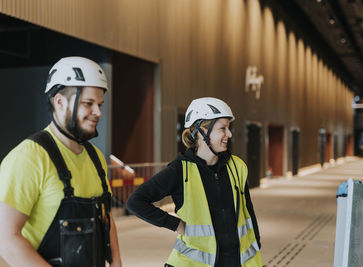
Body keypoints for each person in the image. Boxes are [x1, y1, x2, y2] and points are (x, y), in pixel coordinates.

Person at [0, 56, 122, 267]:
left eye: (100, 104)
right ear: (59, 102)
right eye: (88, 103)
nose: (98, 112)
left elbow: (106, 220)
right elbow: (5, 238)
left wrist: (117, 263)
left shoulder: (96, 158)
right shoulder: (30, 157)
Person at [127, 97, 263, 267]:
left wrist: (257, 249)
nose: (229, 134)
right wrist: (175, 224)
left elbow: (248, 213)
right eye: (223, 128)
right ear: (201, 132)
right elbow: (135, 201)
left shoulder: (237, 167)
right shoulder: (179, 171)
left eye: (229, 128)